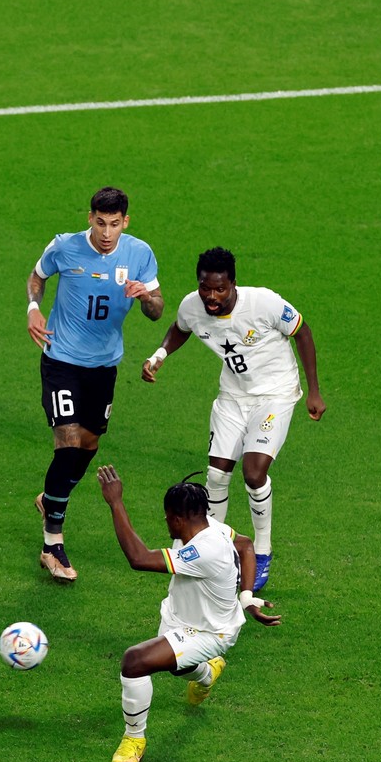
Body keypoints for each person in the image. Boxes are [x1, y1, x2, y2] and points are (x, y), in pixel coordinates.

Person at [140, 247, 326, 592]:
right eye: (205, 288)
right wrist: (159, 355)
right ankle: (211, 550)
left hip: (275, 395)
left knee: (254, 473)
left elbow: (302, 332)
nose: (211, 297)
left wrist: (313, 391)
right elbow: (182, 327)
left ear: (234, 284)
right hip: (232, 397)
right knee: (216, 473)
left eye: (220, 290)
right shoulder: (192, 305)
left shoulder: (264, 304)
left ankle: (263, 551)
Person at [95, 467, 280, 762]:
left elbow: (138, 559)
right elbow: (246, 545)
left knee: (135, 662)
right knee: (179, 668)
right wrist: (247, 598)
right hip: (179, 616)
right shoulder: (211, 526)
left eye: (167, 516)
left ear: (179, 519)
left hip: (209, 632)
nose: (165, 521)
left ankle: (134, 739)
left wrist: (115, 502)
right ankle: (208, 675)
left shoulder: (205, 549)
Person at [26, 187, 164, 583]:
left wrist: (144, 298)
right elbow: (37, 277)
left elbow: (157, 310)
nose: (107, 232)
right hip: (61, 361)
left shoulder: (139, 254)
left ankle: (50, 500)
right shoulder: (65, 247)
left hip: (104, 367)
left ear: (126, 221)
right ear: (90, 217)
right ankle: (52, 542)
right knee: (68, 444)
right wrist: (34, 309)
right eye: (100, 223)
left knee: (89, 445)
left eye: (114, 224)